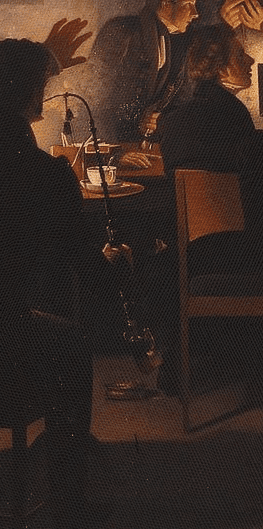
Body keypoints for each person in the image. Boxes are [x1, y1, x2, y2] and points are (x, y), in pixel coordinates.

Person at [0, 35, 116, 529]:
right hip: (6, 335)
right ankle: (68, 495)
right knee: (71, 340)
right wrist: (117, 265)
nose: (46, 93)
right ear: (29, 91)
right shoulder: (47, 173)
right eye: (41, 84)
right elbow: (84, 262)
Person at [141, 23, 263, 394]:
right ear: (220, 67)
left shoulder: (174, 121)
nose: (251, 60)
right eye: (240, 55)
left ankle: (185, 359)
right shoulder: (238, 119)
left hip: (190, 254)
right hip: (239, 255)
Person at [87, 0, 201, 170]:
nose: (195, 13)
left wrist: (161, 121)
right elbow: (93, 99)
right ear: (165, 3)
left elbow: (181, 99)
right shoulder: (121, 31)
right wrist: (114, 153)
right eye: (188, 4)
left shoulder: (181, 40)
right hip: (113, 156)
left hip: (147, 152)